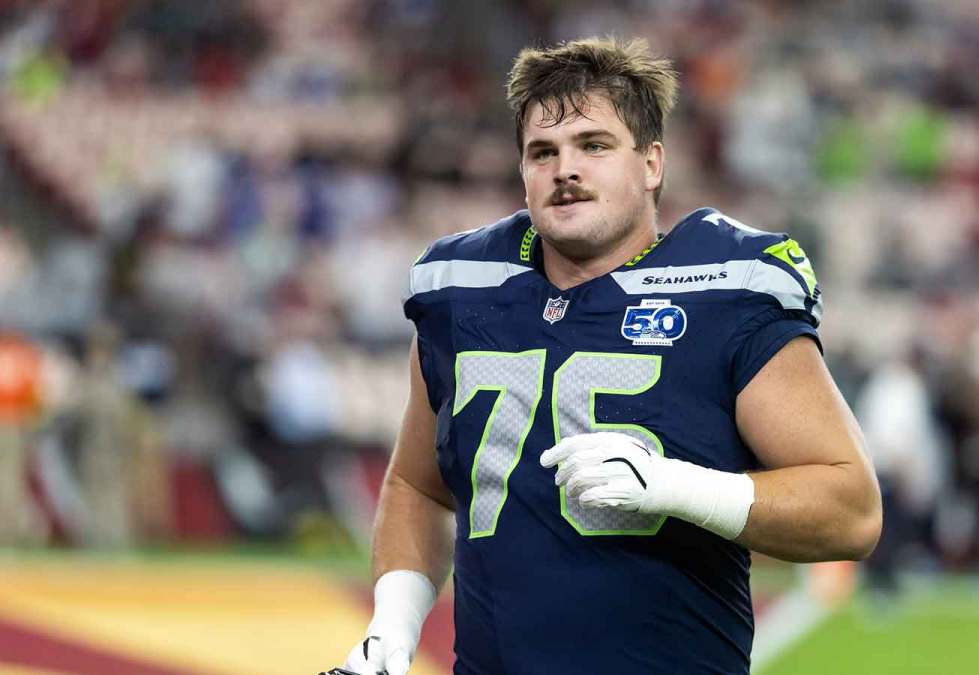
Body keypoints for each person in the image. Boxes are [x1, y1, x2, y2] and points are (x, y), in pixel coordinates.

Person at [327, 37, 881, 675]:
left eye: (593, 145)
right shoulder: (464, 287)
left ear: (651, 163)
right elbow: (418, 487)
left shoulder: (724, 288)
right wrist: (393, 626)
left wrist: (675, 486)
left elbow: (852, 509)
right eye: (543, 152)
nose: (565, 169)